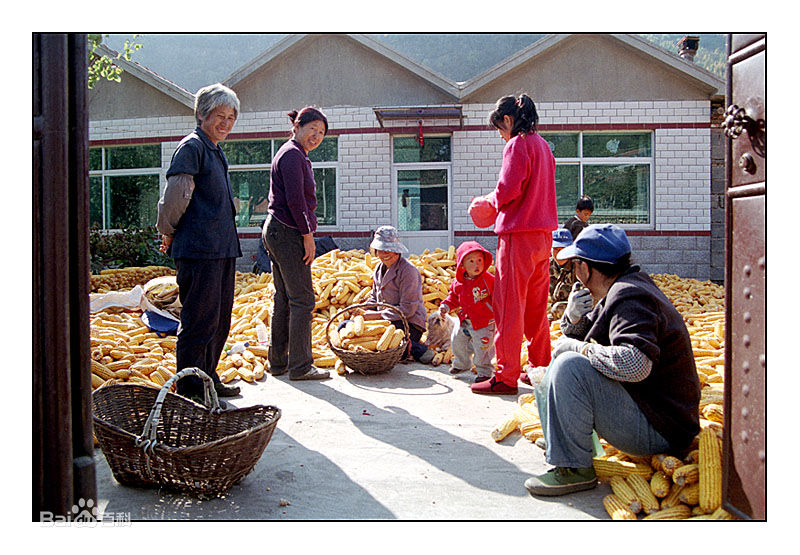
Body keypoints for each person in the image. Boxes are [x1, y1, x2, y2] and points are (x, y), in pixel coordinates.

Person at [524, 224, 701, 496]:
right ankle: (570, 450)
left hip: (661, 429)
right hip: (659, 416)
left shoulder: (630, 296)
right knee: (556, 368)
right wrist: (571, 318)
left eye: (574, 267)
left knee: (569, 366)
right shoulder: (624, 287)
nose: (574, 275)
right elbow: (586, 331)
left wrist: (578, 350)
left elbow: (636, 363)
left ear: (584, 268)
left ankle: (574, 469)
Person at [156, 83, 242, 402]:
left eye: (231, 117)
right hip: (200, 249)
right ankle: (191, 391)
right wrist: (167, 230)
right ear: (202, 114)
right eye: (220, 115)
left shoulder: (214, 150)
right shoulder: (192, 147)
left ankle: (208, 377)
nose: (226, 122)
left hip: (221, 248)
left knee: (219, 320)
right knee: (198, 321)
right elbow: (177, 196)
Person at [468, 93, 558, 395]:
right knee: (535, 307)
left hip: (518, 236)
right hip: (544, 237)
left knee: (508, 306)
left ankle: (506, 376)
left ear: (508, 121)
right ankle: (539, 367)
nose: (500, 136)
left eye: (499, 128)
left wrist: (485, 203)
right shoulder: (544, 146)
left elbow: (507, 189)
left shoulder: (517, 145)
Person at [262, 106, 331, 381]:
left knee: (284, 298)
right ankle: (301, 366)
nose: (316, 135)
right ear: (298, 126)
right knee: (303, 299)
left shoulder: (294, 154)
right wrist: (307, 236)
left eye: (321, 132)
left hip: (277, 230)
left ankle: (278, 362)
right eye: (312, 128)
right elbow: (295, 201)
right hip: (288, 231)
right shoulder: (292, 155)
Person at [362, 226, 435, 364]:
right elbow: (374, 297)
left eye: (390, 250)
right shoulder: (379, 268)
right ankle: (408, 346)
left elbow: (408, 309)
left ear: (397, 250)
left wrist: (376, 316)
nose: (385, 254)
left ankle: (415, 348)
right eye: (381, 250)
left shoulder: (408, 271)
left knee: (387, 342)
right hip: (385, 320)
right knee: (346, 327)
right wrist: (363, 309)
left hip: (408, 323)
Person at [438, 241, 496, 383]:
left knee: (483, 348)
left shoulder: (489, 280)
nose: (477, 265)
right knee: (457, 341)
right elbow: (453, 297)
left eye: (479, 260)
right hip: (465, 319)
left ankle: (484, 371)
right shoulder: (459, 283)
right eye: (471, 261)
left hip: (484, 321)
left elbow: (499, 298)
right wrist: (446, 306)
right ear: (462, 265)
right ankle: (462, 364)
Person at [548, 228, 576, 321]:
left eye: (563, 249)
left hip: (574, 313)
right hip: (550, 310)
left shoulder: (580, 268)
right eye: (556, 249)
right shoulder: (545, 266)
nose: (560, 253)